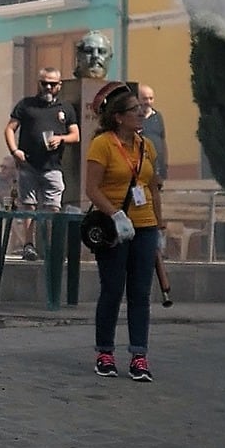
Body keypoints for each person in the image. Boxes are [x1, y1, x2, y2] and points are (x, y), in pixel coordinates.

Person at [84, 81, 162, 381]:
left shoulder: (147, 146)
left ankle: (139, 356)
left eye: (141, 109)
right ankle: (105, 352)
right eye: (134, 110)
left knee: (141, 293)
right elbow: (91, 188)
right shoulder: (102, 144)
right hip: (113, 227)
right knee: (113, 289)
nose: (142, 113)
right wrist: (115, 214)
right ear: (118, 117)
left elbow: (153, 188)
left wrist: (159, 224)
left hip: (144, 227)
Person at [6, 66, 80, 260]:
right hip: (28, 164)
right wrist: (15, 151)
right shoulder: (26, 105)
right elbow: (9, 129)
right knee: (28, 206)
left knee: (52, 207)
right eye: (44, 83)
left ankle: (49, 246)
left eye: (52, 84)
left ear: (59, 85)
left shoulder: (65, 108)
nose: (48, 87)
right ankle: (28, 246)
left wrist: (61, 138)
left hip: (53, 166)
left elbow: (76, 135)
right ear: (38, 83)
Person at [136, 84, 169, 184]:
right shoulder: (134, 117)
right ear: (137, 99)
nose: (148, 102)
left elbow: (163, 140)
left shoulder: (158, 116)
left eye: (151, 98)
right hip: (140, 167)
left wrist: (165, 163)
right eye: (145, 99)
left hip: (158, 167)